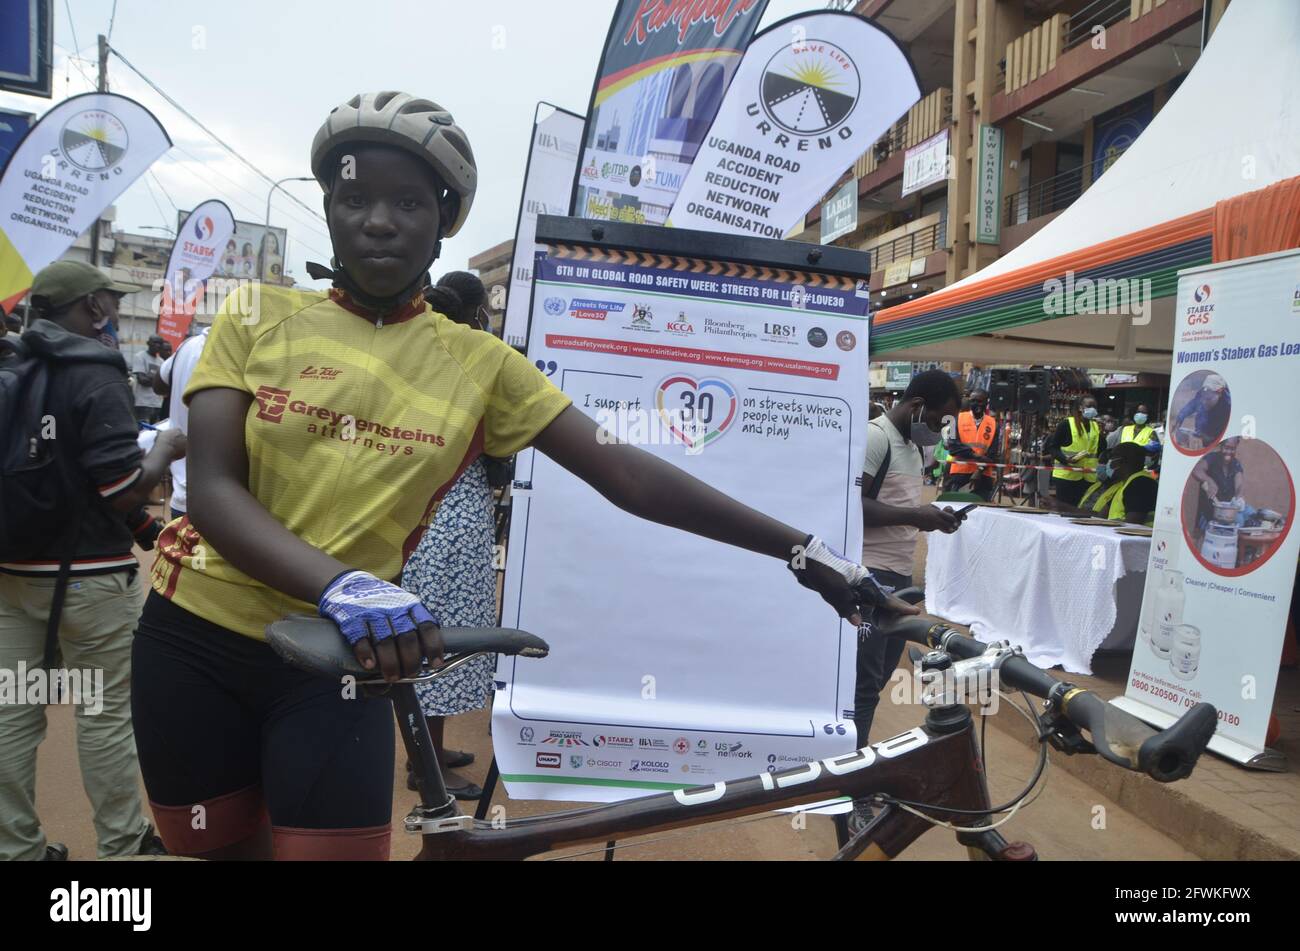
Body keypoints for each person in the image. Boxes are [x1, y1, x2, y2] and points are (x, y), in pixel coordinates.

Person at [130, 92, 914, 862]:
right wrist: (344, 582)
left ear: (444, 220)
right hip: (195, 636)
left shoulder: (480, 363)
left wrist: (804, 552)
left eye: (407, 201)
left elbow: (626, 471)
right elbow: (220, 493)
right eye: (354, 195)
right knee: (218, 851)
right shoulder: (254, 316)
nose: (377, 219)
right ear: (330, 208)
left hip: (344, 663)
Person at [0, 260, 186, 862]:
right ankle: (124, 849)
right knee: (104, 715)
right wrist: (164, 448)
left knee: (11, 716)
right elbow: (119, 486)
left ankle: (18, 851)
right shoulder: (95, 370)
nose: (110, 312)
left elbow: (61, 473)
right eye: (108, 301)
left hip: (12, 574)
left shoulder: (11, 367)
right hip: (91, 581)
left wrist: (140, 527)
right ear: (95, 309)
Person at [399, 271, 498, 800]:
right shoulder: (465, 365)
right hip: (450, 520)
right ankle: (426, 767)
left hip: (437, 518)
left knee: (431, 635)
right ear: (476, 314)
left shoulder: (422, 360)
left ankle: (430, 750)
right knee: (435, 640)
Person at [851, 370, 963, 831]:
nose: (940, 427)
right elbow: (852, 504)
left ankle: (850, 772)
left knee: (872, 685)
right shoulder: (875, 437)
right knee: (862, 685)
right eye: (938, 417)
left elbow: (899, 509)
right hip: (868, 574)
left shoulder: (917, 447)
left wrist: (929, 518)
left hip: (897, 577)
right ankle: (850, 789)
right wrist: (916, 515)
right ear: (916, 404)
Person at [153, 327, 210, 520]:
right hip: (222, 506)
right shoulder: (237, 349)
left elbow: (158, 383)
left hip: (183, 497)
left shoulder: (189, 346)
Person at [1055, 442, 1157, 526]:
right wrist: (1060, 507)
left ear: (1122, 461)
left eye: (1112, 458)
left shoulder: (1140, 484)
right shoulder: (1125, 484)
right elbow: (1100, 516)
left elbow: (1132, 524)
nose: (1109, 463)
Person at [1046, 396, 1101, 507]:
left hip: (1088, 477)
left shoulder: (1095, 426)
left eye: (1094, 407)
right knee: (1065, 508)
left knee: (1082, 509)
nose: (1093, 409)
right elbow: (1053, 447)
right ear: (1080, 408)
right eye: (1089, 406)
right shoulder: (1066, 424)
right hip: (1067, 476)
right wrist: (1066, 459)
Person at [944, 387, 997, 500]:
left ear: (986, 403)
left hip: (983, 477)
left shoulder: (993, 424)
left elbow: (992, 454)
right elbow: (952, 446)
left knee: (982, 512)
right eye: (973, 401)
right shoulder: (957, 419)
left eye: (979, 401)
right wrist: (975, 455)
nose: (975, 404)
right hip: (959, 475)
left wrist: (979, 470)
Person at [1191, 437, 1245, 539]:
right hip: (1208, 512)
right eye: (1226, 448)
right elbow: (1197, 470)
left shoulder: (1236, 464)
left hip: (1227, 514)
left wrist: (1239, 497)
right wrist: (1209, 481)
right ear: (1221, 446)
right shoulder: (1212, 458)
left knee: (1246, 515)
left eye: (1232, 449)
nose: (1229, 452)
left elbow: (1239, 484)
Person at [1174, 374, 1230, 449]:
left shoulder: (1227, 407)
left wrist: (1202, 438)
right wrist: (1179, 420)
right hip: (1201, 432)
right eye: (1203, 396)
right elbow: (1191, 406)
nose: (1203, 401)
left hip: (1215, 438)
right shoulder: (1202, 392)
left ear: (1220, 392)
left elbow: (1220, 437)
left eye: (1208, 399)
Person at [131, 335, 166, 424]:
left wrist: (150, 378)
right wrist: (157, 381)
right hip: (142, 403)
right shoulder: (140, 357)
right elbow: (142, 380)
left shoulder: (162, 362)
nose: (157, 345)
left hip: (157, 403)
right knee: (142, 431)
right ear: (148, 343)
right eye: (155, 343)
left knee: (152, 432)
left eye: (160, 343)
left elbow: (164, 383)